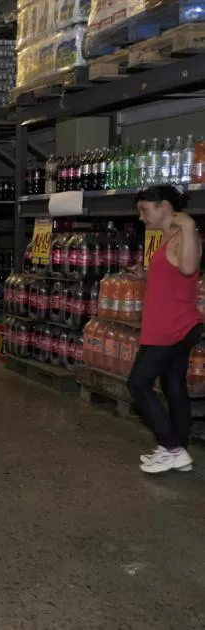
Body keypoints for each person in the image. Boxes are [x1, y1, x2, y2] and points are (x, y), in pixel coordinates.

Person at [127, 186, 204, 474]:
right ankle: (178, 450)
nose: (141, 217)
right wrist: (146, 274)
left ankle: (171, 447)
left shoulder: (184, 234)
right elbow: (175, 278)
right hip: (169, 326)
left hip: (173, 328)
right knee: (172, 385)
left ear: (163, 206)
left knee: (138, 382)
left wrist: (189, 225)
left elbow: (188, 268)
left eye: (144, 210)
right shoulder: (168, 237)